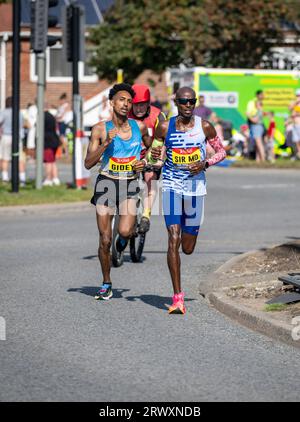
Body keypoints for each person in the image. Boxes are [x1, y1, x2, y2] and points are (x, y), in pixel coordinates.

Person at [152, 87, 226, 314]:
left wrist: (205, 164)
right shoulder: (165, 127)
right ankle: (177, 298)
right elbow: (154, 153)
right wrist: (154, 158)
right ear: (176, 102)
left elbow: (222, 152)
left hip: (195, 189)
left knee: (188, 247)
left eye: (191, 101)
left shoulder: (204, 126)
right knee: (172, 238)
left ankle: (189, 230)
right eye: (183, 101)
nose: (188, 105)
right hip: (172, 187)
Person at [85, 83, 151, 301]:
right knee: (104, 239)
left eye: (129, 101)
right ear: (111, 102)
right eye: (122, 100)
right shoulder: (100, 129)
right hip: (106, 183)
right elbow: (88, 163)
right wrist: (106, 144)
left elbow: (151, 149)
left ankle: (121, 246)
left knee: (124, 232)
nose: (126, 104)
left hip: (130, 184)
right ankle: (106, 283)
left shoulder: (139, 128)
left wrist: (144, 162)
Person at [128, 84, 166, 233]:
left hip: (151, 155)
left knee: (151, 177)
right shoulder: (125, 115)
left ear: (148, 103)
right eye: (135, 105)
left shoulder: (158, 116)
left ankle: (146, 215)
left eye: (142, 105)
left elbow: (164, 141)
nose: (138, 109)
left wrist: (159, 160)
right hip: (130, 156)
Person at [0, 96, 26, 186]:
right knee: (20, 159)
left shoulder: (4, 112)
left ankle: (5, 178)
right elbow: (23, 124)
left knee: (5, 158)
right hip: (17, 137)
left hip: (6, 136)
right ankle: (22, 179)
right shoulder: (19, 113)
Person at [43, 104, 61, 186]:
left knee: (48, 161)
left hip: (47, 141)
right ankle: (55, 178)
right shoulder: (51, 116)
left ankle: (48, 179)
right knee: (53, 161)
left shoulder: (43, 116)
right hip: (54, 140)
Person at [246, 90, 266, 162]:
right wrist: (253, 119)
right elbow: (248, 113)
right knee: (258, 143)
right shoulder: (255, 103)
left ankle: (262, 159)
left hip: (257, 125)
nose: (264, 96)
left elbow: (257, 116)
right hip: (257, 125)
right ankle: (259, 159)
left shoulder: (259, 106)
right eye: (262, 95)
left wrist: (253, 119)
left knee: (259, 142)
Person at [289, 89, 300, 159]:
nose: (298, 97)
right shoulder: (294, 103)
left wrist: (296, 114)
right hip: (294, 125)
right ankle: (298, 154)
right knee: (296, 141)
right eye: (297, 95)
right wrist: (295, 102)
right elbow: (290, 109)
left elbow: (294, 114)